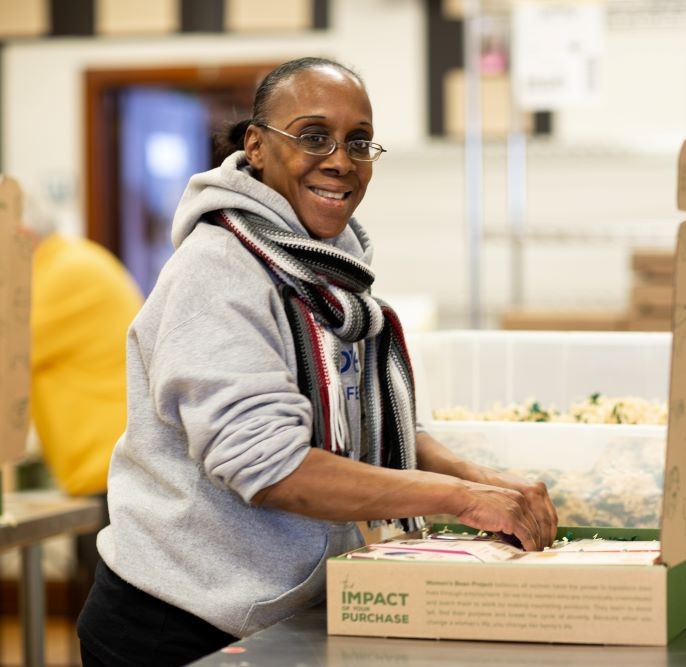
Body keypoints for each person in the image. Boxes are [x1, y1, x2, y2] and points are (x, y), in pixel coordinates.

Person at [76, 56, 557, 666]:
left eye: (359, 142)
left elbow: (360, 427)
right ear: (256, 146)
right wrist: (459, 498)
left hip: (277, 612)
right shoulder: (219, 272)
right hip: (181, 624)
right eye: (312, 136)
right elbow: (273, 467)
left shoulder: (327, 271)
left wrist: (479, 477)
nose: (340, 160)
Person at [23, 193, 143, 609]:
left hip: (110, 471)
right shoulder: (66, 263)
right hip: (104, 470)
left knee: (107, 620)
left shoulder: (59, 275)